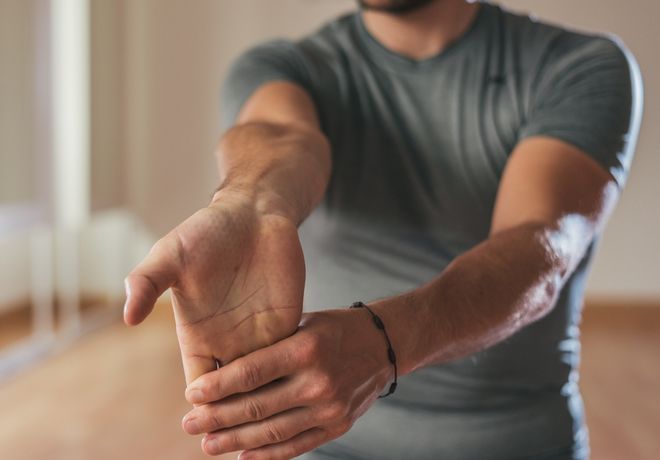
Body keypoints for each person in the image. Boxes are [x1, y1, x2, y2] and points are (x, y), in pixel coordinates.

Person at [123, 0, 642, 458]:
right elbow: (281, 137)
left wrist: (385, 345)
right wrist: (247, 204)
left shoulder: (581, 65)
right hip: (322, 446)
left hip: (518, 444)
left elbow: (539, 244)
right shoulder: (283, 67)